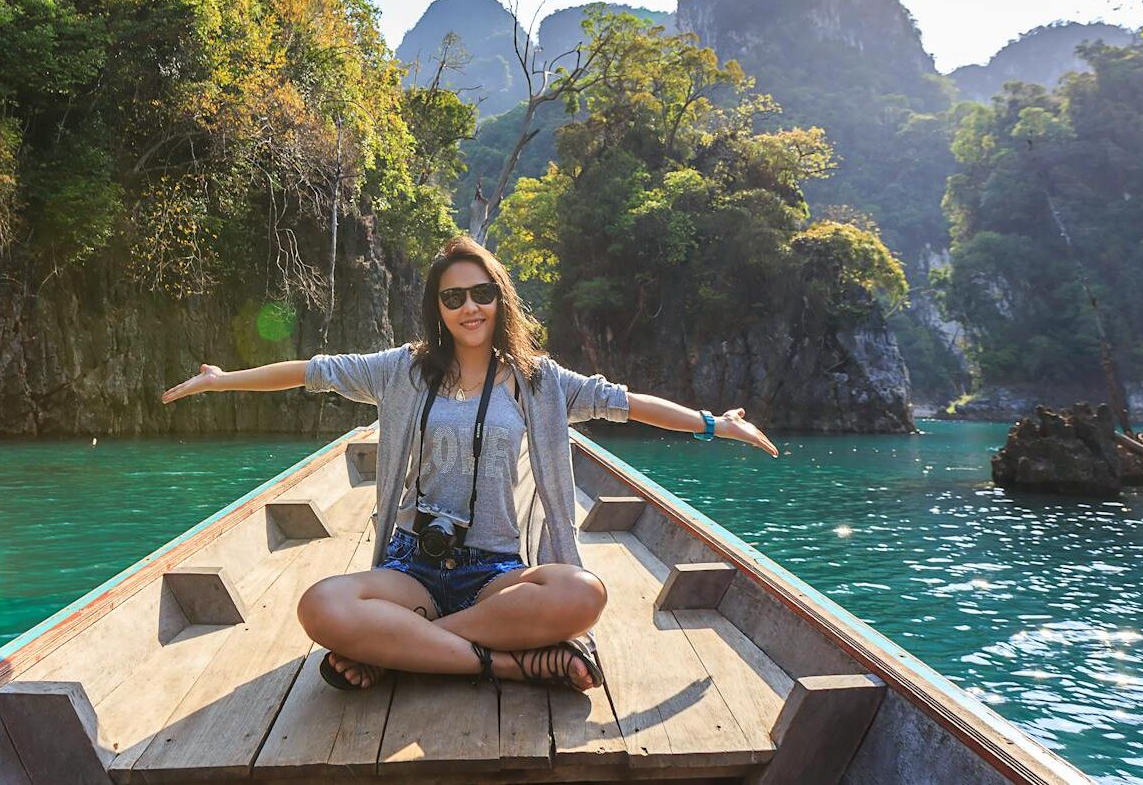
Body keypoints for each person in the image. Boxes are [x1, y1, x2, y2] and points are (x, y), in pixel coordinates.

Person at [161, 234, 779, 693]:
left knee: (581, 593)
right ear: (439, 307)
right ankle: (505, 662)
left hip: (494, 572)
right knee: (320, 605)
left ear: (499, 298)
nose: (469, 307)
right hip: (414, 566)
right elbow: (311, 371)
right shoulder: (402, 369)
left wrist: (712, 424)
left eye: (481, 293)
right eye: (452, 297)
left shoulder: (541, 382)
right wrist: (222, 381)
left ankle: (401, 650)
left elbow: (626, 403)